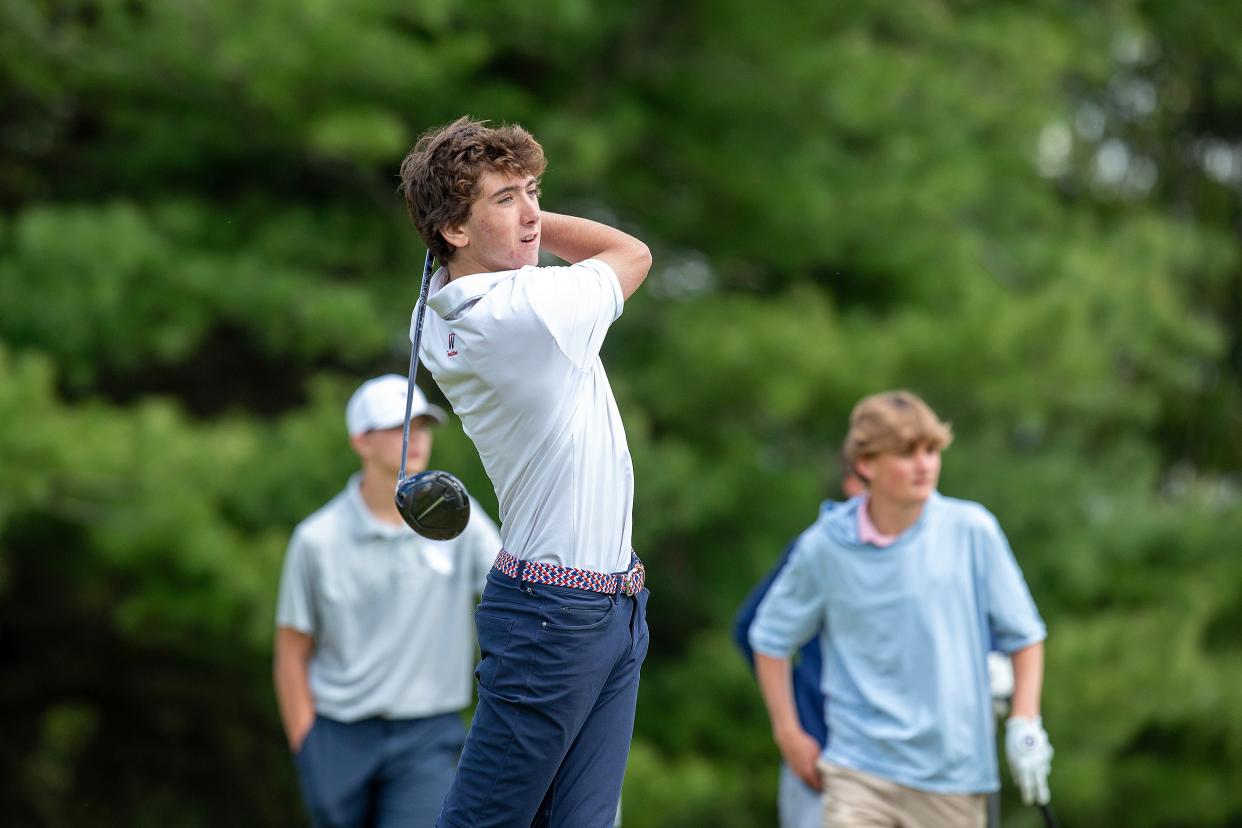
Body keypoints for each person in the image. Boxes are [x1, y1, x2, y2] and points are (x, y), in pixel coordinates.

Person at [398, 117, 653, 828]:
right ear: (452, 228)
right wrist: (537, 227)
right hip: (554, 619)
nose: (534, 214)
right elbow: (629, 252)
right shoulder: (525, 310)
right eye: (506, 199)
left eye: (535, 191)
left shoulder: (448, 303)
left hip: (610, 605)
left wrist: (511, 219)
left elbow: (511, 250)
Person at [749, 390, 1054, 828]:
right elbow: (769, 638)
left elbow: (1024, 636)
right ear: (867, 463)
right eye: (907, 453)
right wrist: (788, 734)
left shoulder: (972, 531)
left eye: (931, 450)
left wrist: (1025, 722)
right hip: (858, 773)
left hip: (954, 779)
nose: (925, 464)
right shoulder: (825, 546)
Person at [273, 375, 502, 828]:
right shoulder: (316, 540)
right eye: (399, 427)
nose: (415, 437)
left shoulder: (460, 519)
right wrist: (307, 743)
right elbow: (292, 651)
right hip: (338, 737)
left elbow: (511, 593)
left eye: (422, 425)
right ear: (361, 441)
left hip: (427, 734)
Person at [732, 464, 865, 828]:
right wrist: (792, 727)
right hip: (822, 752)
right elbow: (754, 630)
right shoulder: (819, 546)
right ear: (852, 481)